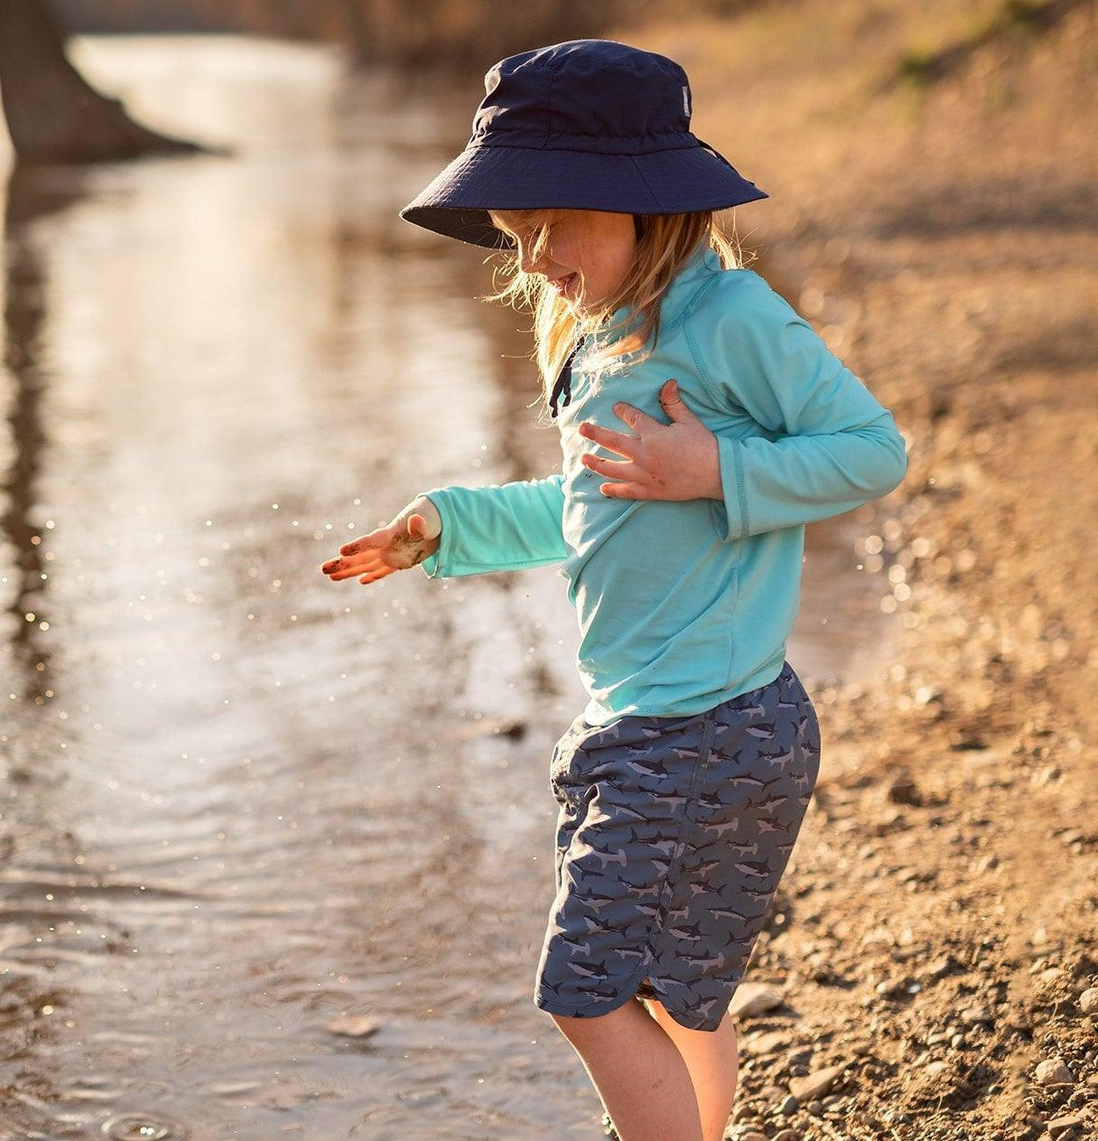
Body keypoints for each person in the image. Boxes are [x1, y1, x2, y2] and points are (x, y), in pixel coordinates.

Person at [318, 39, 907, 1141]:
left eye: (548, 223)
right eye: (514, 230)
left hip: (692, 731)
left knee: (584, 994)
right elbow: (585, 506)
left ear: (640, 203)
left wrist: (718, 471)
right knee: (683, 989)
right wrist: (446, 526)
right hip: (702, 723)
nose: (531, 255)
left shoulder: (729, 320)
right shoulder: (602, 340)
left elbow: (871, 451)